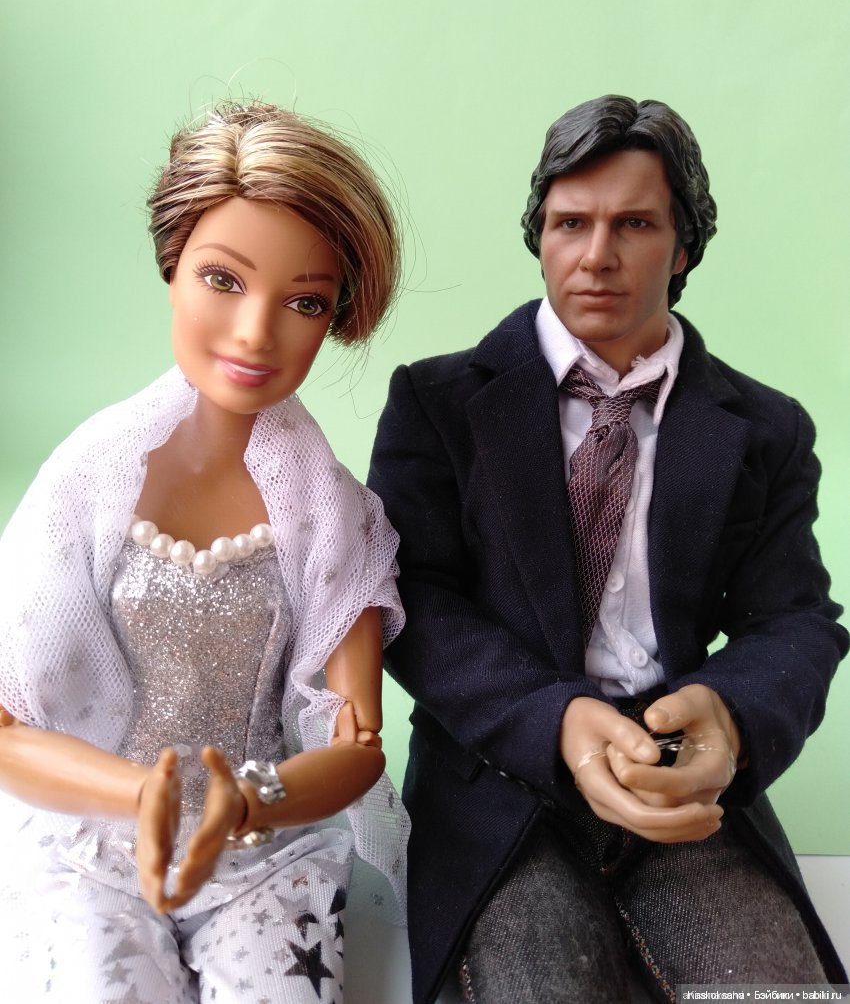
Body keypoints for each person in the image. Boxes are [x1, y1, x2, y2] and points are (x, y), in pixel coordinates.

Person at [367, 95, 848, 1004]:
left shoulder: (765, 427)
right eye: (569, 223)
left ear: (684, 244)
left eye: (634, 223)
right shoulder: (438, 403)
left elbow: (793, 617)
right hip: (502, 778)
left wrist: (728, 713)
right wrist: (553, 718)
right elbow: (412, 601)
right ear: (539, 234)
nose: (596, 255)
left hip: (674, 777)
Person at [0, 101, 407, 1003]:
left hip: (262, 851)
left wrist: (252, 798)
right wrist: (138, 792)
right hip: (87, 841)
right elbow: (7, 726)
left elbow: (358, 743)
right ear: (172, 268)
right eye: (223, 279)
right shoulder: (86, 485)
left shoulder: (334, 518)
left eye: (304, 301)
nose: (257, 331)